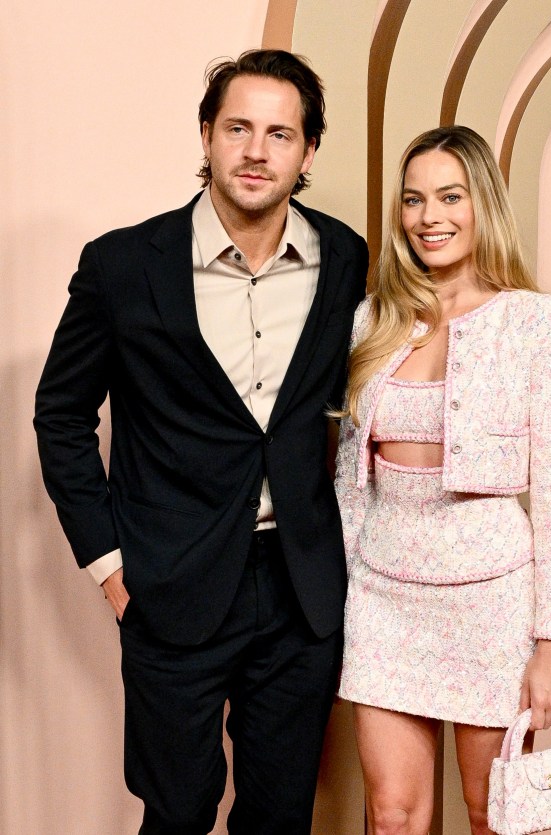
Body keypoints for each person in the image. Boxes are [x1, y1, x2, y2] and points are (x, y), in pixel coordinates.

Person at [34, 49, 367, 835]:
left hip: (300, 590)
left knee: (281, 814)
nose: (257, 150)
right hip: (168, 584)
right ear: (208, 136)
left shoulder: (345, 257)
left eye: (281, 133)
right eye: (239, 128)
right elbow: (61, 415)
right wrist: (112, 568)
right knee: (177, 811)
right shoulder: (122, 265)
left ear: (308, 151)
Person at [334, 125, 551, 835]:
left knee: (494, 816)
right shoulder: (373, 319)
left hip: (494, 599)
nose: (429, 216)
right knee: (391, 815)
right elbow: (351, 481)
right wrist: (345, 589)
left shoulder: (537, 323)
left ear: (483, 205)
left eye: (450, 196)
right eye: (413, 200)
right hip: (384, 597)